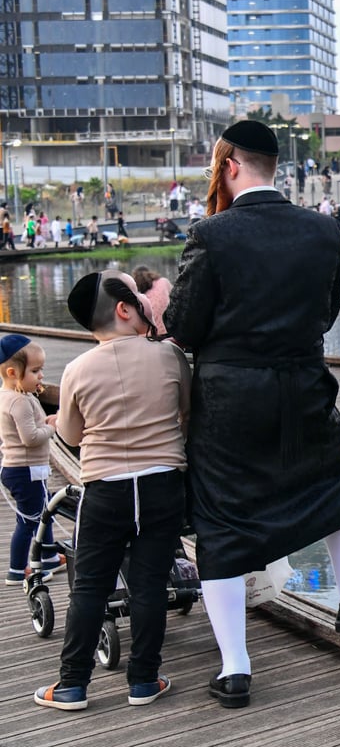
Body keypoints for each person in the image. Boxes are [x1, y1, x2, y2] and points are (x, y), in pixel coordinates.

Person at [163, 120, 340, 710]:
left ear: (230, 165)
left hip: (232, 395)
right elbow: (329, 309)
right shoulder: (323, 229)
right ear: (274, 165)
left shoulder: (211, 234)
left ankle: (236, 666)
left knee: (222, 513)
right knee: (335, 484)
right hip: (303, 382)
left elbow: (184, 328)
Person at [32, 270, 190, 711]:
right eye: (138, 295)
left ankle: (71, 686)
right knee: (151, 586)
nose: (145, 300)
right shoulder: (170, 357)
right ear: (124, 309)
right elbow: (186, 413)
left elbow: (72, 434)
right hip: (162, 485)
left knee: (89, 588)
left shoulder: (77, 370)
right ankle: (143, 681)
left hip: (105, 489)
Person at [0, 335, 60, 586]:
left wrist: (43, 422)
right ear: (13, 373)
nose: (41, 376)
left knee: (43, 511)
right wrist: (53, 427)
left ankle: (49, 556)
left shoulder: (13, 395)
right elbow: (30, 438)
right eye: (35, 371)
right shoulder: (19, 401)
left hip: (27, 469)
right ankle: (17, 569)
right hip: (24, 470)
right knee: (29, 520)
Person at [132, 265, 173, 336]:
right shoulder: (163, 281)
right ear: (150, 273)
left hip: (149, 335)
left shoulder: (135, 293)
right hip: (170, 329)